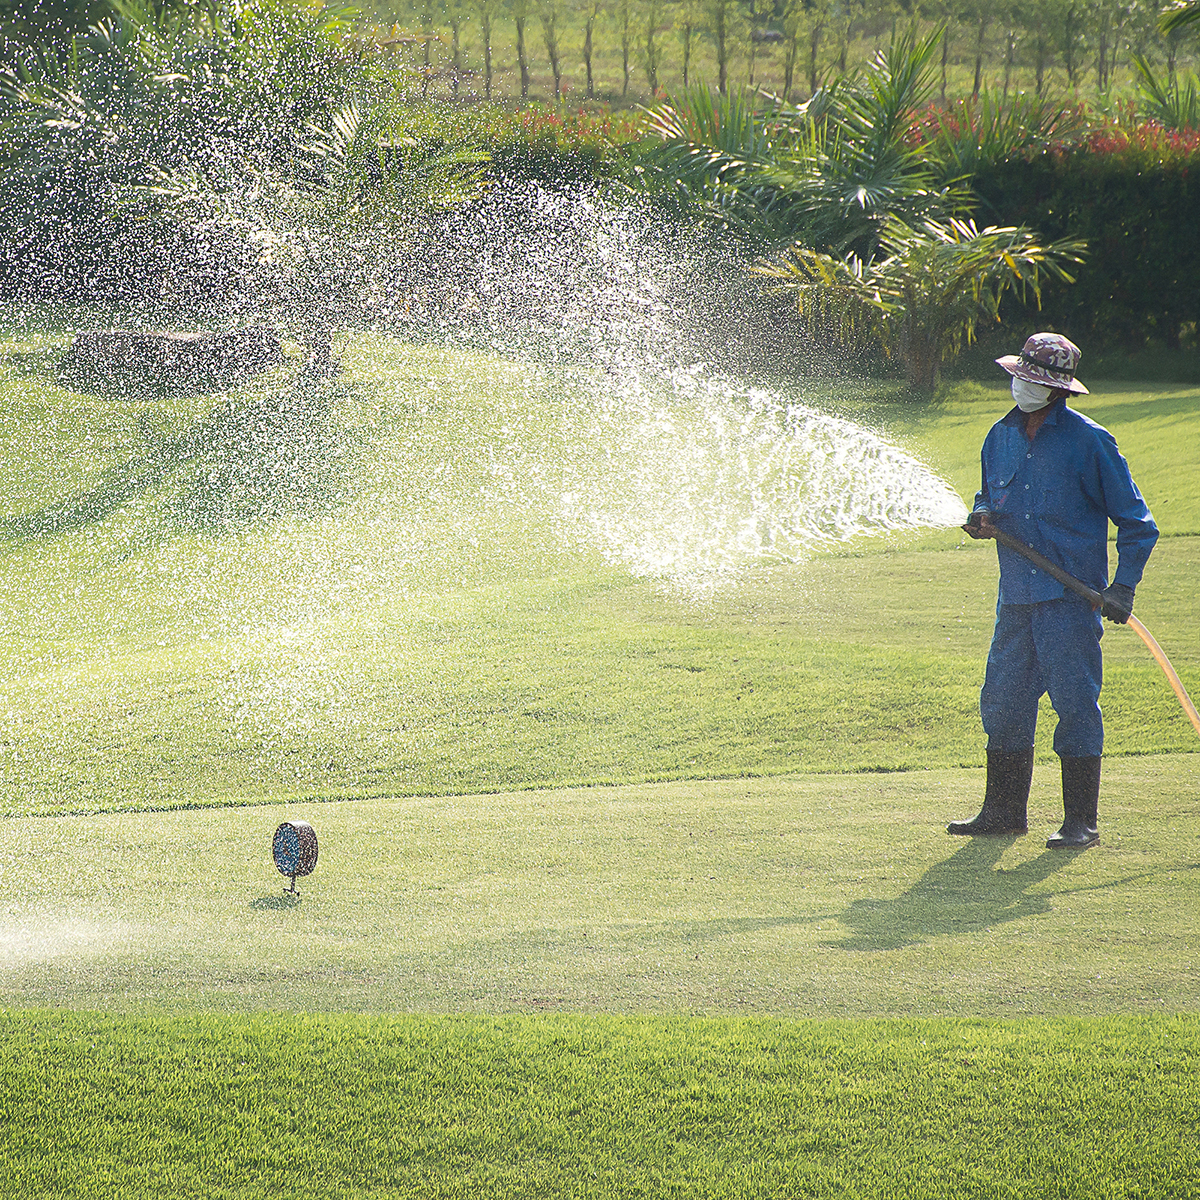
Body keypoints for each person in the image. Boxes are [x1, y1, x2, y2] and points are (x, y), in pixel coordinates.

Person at [950, 332, 1159, 848]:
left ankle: (1080, 822)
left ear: (1058, 389)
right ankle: (1002, 812)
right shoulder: (999, 435)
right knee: (1001, 703)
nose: (1021, 386)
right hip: (1016, 598)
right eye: (1019, 376)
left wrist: (1122, 588)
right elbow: (989, 493)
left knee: (1075, 706)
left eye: (1032, 380)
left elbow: (1138, 524)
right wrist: (982, 516)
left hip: (1070, 599)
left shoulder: (1091, 442)